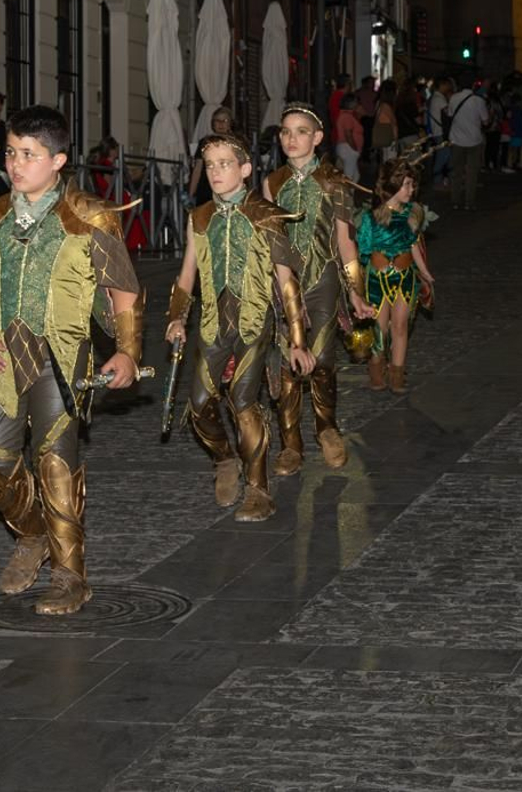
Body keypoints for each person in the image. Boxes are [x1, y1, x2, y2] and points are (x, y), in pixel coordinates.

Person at [0, 105, 142, 616]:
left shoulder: (90, 216)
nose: (15, 164)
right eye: (11, 153)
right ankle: (31, 533)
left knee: (56, 463)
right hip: (0, 358)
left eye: (28, 155)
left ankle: (70, 576)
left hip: (64, 354)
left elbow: (123, 290)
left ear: (57, 160)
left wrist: (127, 350)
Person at [166, 132, 312, 522]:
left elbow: (285, 280)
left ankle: (259, 488)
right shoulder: (199, 218)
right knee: (199, 405)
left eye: (224, 163)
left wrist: (297, 339)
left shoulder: (265, 214)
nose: (215, 171)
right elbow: (186, 275)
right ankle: (224, 458)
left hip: (255, 323)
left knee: (244, 401)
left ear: (245, 169)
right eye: (209, 164)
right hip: (214, 324)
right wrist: (176, 318)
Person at [263, 105, 372, 476]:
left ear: (317, 138)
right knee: (287, 362)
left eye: (301, 131)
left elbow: (345, 242)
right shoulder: (272, 182)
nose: (291, 139)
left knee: (322, 357)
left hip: (323, 277)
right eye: (285, 132)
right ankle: (290, 442)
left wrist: (355, 291)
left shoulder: (334, 182)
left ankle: (327, 427)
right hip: (284, 280)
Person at [355, 154, 435, 393]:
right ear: (393, 185)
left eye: (412, 184)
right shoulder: (372, 217)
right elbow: (363, 251)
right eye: (406, 184)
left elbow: (413, 244)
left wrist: (424, 272)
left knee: (400, 325)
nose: (411, 189)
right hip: (377, 279)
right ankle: (376, 368)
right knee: (380, 328)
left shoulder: (412, 213)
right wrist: (357, 285)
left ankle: (397, 372)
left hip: (405, 278)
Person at [447, 81, 487, 211]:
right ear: (473, 85)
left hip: (457, 139)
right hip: (474, 140)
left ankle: (455, 201)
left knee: (456, 172)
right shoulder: (478, 101)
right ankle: (469, 202)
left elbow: (449, 114)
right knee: (471, 173)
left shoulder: (453, 98)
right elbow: (485, 120)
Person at [187, 105, 238, 206]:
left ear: (230, 123)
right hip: (207, 189)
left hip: (229, 189)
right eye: (217, 120)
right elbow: (198, 168)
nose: (221, 124)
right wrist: (191, 193)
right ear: (212, 123)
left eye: (225, 120)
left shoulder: (236, 143)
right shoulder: (204, 142)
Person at [333, 94, 364, 182]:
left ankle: (349, 194)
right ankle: (346, 194)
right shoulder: (347, 116)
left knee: (354, 175)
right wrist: (354, 148)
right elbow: (348, 134)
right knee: (349, 176)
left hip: (347, 147)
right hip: (348, 148)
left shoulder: (346, 115)